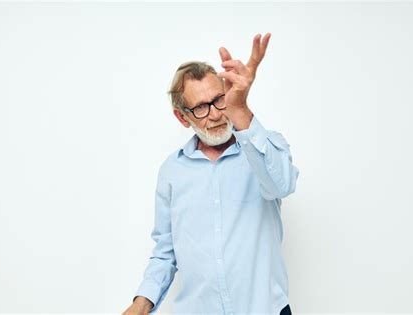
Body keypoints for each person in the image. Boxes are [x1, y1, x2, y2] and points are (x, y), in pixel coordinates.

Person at [122, 33, 299, 315]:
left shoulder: (263, 145)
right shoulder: (172, 171)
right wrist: (142, 303)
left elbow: (282, 184)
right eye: (201, 108)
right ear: (183, 117)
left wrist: (240, 109)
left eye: (219, 99)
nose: (216, 114)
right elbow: (166, 251)